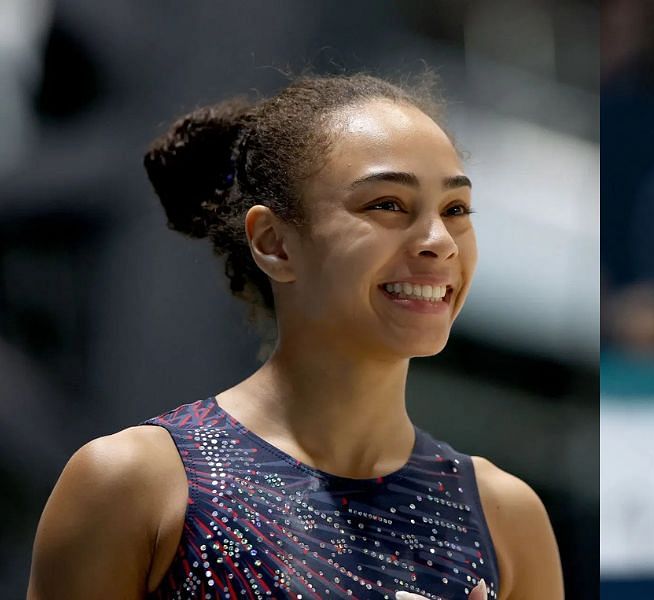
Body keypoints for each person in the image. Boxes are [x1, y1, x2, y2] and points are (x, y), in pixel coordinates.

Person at [28, 74, 564, 600]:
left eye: (456, 210)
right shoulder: (137, 485)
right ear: (275, 243)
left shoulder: (505, 518)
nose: (438, 241)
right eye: (387, 205)